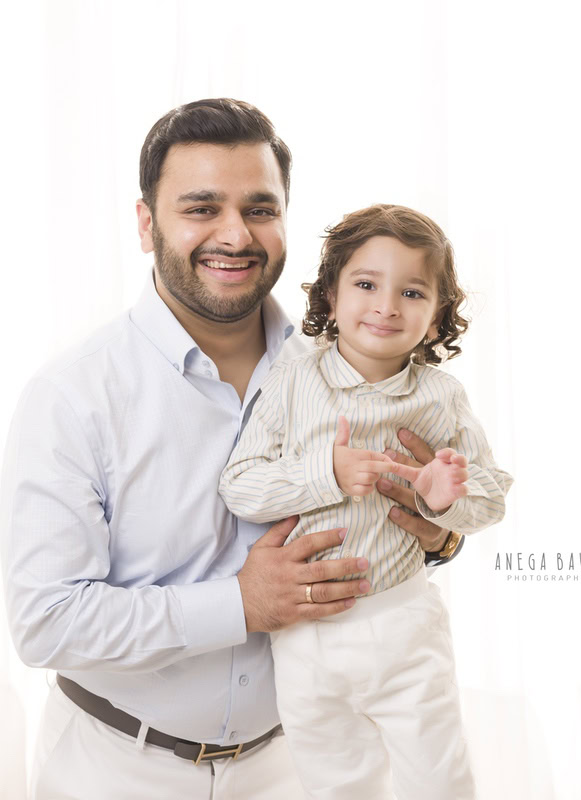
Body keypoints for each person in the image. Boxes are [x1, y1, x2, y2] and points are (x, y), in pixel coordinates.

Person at [0, 99, 467, 800]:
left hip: (296, 767)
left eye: (259, 209)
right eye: (200, 208)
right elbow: (46, 623)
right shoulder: (73, 396)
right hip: (116, 770)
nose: (234, 234)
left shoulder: (349, 369)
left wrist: (438, 537)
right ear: (144, 223)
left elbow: (407, 520)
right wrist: (241, 604)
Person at [219, 204, 514, 799]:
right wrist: (326, 473)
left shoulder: (440, 397)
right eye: (365, 284)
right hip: (306, 635)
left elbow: (491, 498)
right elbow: (240, 484)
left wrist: (440, 501)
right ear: (330, 298)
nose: (385, 306)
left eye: (411, 292)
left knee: (441, 779)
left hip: (402, 623)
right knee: (335, 784)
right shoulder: (294, 380)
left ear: (435, 320)